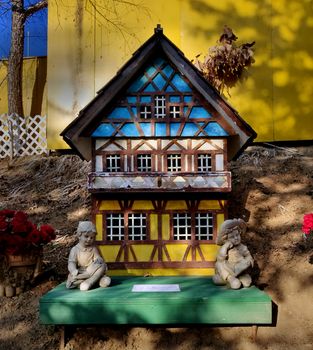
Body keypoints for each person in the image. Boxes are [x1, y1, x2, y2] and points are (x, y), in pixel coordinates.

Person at [66, 221, 111, 291]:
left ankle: (89, 282)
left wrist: (99, 259)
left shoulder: (93, 249)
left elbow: (97, 259)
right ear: (79, 235)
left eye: (92, 237)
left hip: (91, 270)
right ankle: (95, 280)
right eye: (86, 236)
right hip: (81, 272)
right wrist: (73, 270)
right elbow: (71, 263)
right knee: (73, 280)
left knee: (102, 265)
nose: (89, 239)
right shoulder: (75, 249)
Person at [212, 218, 254, 289]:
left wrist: (248, 261)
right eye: (232, 237)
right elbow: (220, 259)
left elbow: (248, 256)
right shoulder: (225, 247)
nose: (236, 238)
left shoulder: (242, 247)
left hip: (239, 269)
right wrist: (225, 247)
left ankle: (238, 277)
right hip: (228, 268)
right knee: (218, 264)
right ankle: (230, 279)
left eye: (237, 235)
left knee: (247, 280)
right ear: (226, 239)